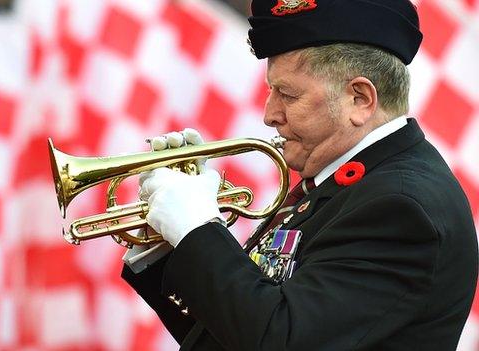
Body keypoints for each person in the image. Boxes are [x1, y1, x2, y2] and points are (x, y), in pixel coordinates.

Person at [121, 0, 478, 350]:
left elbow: (282, 338)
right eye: (271, 91)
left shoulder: (399, 207)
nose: (269, 114)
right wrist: (167, 242)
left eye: (287, 94)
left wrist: (196, 230)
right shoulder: (348, 186)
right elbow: (230, 331)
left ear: (360, 99)